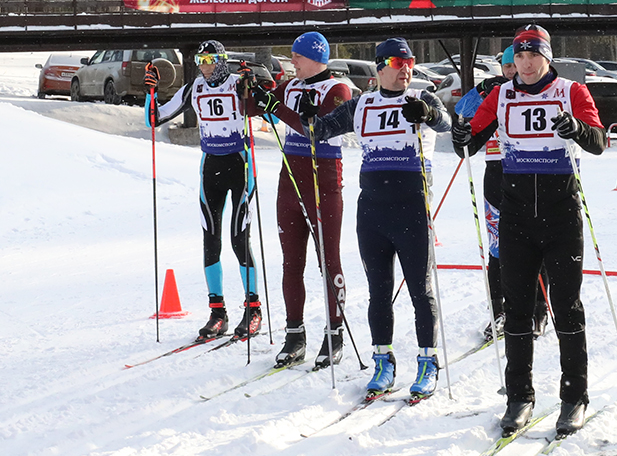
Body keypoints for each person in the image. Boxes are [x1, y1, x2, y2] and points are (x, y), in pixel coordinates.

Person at [256, 38, 450, 399]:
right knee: (378, 291)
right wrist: (307, 116)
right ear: (381, 67)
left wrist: (429, 114)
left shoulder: (422, 99)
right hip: (373, 209)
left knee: (420, 290)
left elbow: (446, 124)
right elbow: (319, 132)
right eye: (398, 62)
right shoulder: (362, 105)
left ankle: (428, 362)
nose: (406, 69)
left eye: (409, 62)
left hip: (412, 206)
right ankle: (383, 361)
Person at [452, 25, 606, 436]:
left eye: (534, 55)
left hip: (561, 213)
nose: (526, 63)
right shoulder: (501, 95)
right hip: (517, 215)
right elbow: (469, 144)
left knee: (566, 306)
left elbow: (598, 142)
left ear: (547, 57)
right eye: (519, 56)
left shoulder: (571, 91)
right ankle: (519, 396)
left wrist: (576, 129)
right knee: (517, 309)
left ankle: (574, 397)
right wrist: (460, 133)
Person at [145, 40, 260, 342]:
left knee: (239, 238)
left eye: (209, 60)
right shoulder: (194, 88)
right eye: (200, 61)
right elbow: (154, 119)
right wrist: (151, 92)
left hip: (240, 165)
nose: (204, 67)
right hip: (211, 166)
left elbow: (270, 116)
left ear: (221, 60)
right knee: (211, 240)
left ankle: (253, 309)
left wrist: (254, 88)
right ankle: (217, 313)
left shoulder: (237, 83)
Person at [266, 31, 352, 370]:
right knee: (291, 263)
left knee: (328, 260)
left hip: (322, 183)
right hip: (289, 181)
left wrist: (278, 108)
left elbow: (315, 129)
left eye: (297, 56)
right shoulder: (290, 86)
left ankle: (334, 334)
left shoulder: (337, 89)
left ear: (315, 57)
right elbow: (256, 106)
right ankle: (294, 335)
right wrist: (250, 88)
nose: (292, 61)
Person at [455, 46, 549, 340]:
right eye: (507, 66)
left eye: (514, 65)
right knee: (498, 247)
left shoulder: (529, 91)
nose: (511, 71)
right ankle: (499, 311)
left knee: (535, 246)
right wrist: (481, 88)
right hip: (496, 170)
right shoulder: (496, 92)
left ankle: (538, 311)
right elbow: (461, 112)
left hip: (526, 169)